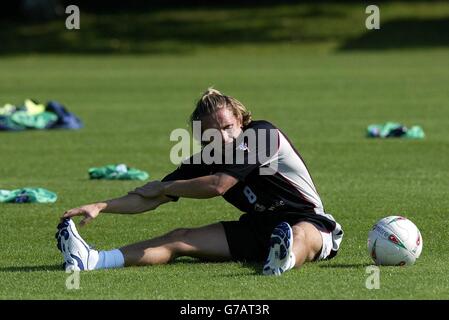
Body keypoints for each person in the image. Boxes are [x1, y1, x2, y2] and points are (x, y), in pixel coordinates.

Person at [56, 88, 343, 276]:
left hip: (310, 221)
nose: (224, 137)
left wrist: (167, 187)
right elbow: (149, 197)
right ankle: (93, 260)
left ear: (241, 120)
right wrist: (100, 205)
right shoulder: (206, 158)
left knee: (298, 234)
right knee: (179, 238)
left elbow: (219, 184)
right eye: (212, 134)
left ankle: (283, 259)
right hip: (257, 229)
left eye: (228, 127)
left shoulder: (263, 135)